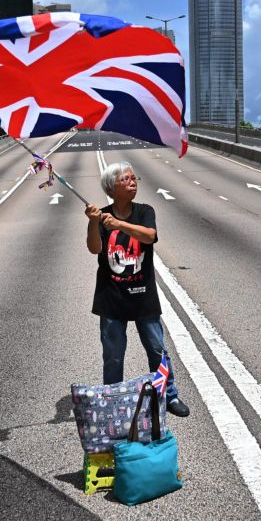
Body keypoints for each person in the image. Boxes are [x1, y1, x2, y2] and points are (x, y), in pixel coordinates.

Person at [85, 161, 190, 417]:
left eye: (134, 178)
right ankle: (112, 400)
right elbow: (94, 249)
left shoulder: (144, 211)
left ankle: (168, 394)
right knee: (113, 354)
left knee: (157, 349)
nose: (133, 182)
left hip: (143, 296)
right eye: (126, 179)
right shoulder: (102, 216)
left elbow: (149, 236)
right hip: (111, 297)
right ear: (112, 188)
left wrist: (119, 225)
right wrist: (92, 222)